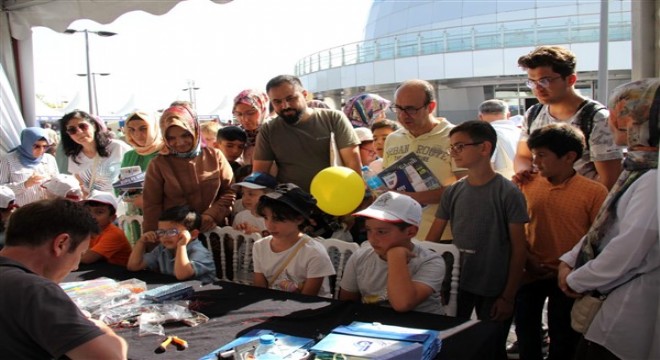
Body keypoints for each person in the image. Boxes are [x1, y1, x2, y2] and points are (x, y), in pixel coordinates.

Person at [558, 78, 660, 360]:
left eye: (624, 111)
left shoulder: (653, 178)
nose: (612, 119)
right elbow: (607, 224)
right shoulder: (639, 167)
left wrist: (577, 279)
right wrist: (570, 258)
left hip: (630, 309)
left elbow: (628, 248)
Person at [425, 121, 528, 359]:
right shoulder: (453, 191)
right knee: (452, 342)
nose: (454, 153)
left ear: (484, 148)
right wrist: (435, 281)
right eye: (452, 147)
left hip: (495, 285)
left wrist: (508, 296)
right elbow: (432, 242)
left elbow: (519, 249)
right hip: (457, 283)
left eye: (460, 146)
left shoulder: (508, 192)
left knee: (490, 346)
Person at [515, 123, 608, 360]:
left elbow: (597, 237)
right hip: (530, 271)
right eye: (534, 154)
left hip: (568, 276)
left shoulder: (594, 192)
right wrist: (528, 258)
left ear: (569, 157)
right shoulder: (527, 184)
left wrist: (570, 267)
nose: (535, 161)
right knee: (526, 332)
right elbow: (517, 228)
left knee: (563, 336)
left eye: (542, 155)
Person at [0, 199, 128, 359]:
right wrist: (100, 328)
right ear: (61, 243)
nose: (74, 267)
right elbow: (112, 357)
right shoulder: (35, 290)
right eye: (80, 253)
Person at [514, 45, 623, 190]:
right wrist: (524, 172)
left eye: (544, 80)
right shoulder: (533, 113)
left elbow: (609, 179)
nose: (537, 88)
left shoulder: (596, 117)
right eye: (532, 82)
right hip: (543, 202)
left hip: (582, 205)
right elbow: (523, 156)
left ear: (571, 80)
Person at [340, 191, 445, 314]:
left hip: (422, 326)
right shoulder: (360, 256)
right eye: (368, 230)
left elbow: (403, 304)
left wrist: (396, 256)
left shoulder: (430, 261)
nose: (372, 239)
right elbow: (347, 303)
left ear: (410, 232)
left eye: (381, 232)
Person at [252, 74, 361, 192]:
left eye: (291, 98)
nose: (285, 106)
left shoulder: (333, 119)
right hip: (291, 203)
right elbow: (260, 175)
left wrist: (357, 193)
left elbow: (353, 164)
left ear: (304, 95)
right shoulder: (268, 130)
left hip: (335, 197)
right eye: (277, 102)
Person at [384, 79, 464, 240]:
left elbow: (464, 187)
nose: (403, 115)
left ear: (431, 107)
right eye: (398, 108)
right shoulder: (393, 139)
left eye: (411, 109)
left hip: (443, 235)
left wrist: (411, 198)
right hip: (400, 235)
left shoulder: (455, 136)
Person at [142, 103, 234, 233]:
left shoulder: (215, 156)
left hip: (215, 232)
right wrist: (152, 242)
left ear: (194, 129)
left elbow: (229, 191)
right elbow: (152, 206)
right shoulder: (158, 164)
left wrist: (211, 215)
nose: (179, 142)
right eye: (171, 138)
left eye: (185, 135)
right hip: (177, 236)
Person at [252, 183, 335, 297]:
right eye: (266, 217)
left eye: (278, 219)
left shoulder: (314, 252)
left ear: (299, 219)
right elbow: (259, 290)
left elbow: (307, 299)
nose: (269, 225)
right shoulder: (259, 246)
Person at [127, 205, 216, 284]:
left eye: (172, 232)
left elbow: (182, 275)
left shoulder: (199, 251)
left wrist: (181, 245)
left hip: (203, 295)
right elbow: (133, 266)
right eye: (161, 232)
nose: (165, 236)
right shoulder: (162, 249)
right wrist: (141, 242)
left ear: (193, 234)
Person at [59, 110, 131, 195]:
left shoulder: (118, 147)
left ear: (94, 126)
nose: (79, 132)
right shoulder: (74, 156)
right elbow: (79, 180)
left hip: (119, 203)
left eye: (83, 126)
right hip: (93, 204)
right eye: (72, 130)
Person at [0, 127, 59, 206]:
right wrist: (25, 184)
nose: (41, 150)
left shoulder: (49, 159)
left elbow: (58, 183)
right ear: (27, 144)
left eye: (45, 146)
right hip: (22, 212)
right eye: (37, 146)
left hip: (47, 210)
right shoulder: (7, 160)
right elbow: (1, 190)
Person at [120, 110, 164, 211]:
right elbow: (120, 192)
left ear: (154, 128)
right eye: (131, 129)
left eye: (143, 129)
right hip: (135, 216)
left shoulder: (166, 152)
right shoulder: (129, 156)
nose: (137, 135)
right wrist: (127, 189)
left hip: (163, 214)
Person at [80, 191, 132, 266]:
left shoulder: (114, 234)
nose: (91, 216)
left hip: (120, 272)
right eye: (88, 211)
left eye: (99, 212)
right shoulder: (87, 229)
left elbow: (87, 258)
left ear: (112, 218)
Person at [478, 99, 520, 179]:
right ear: (508, 115)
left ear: (480, 117)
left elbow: (486, 168)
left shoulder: (486, 134)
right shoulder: (521, 132)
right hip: (525, 184)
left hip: (501, 186)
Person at [231, 172, 277, 236]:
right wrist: (238, 234)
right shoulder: (240, 216)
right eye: (243, 193)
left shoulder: (276, 219)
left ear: (269, 195)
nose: (246, 198)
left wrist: (259, 234)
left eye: (251, 194)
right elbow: (231, 245)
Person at [232, 89, 269, 165]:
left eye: (251, 113)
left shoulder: (274, 132)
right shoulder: (240, 135)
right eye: (239, 114)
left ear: (262, 110)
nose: (245, 119)